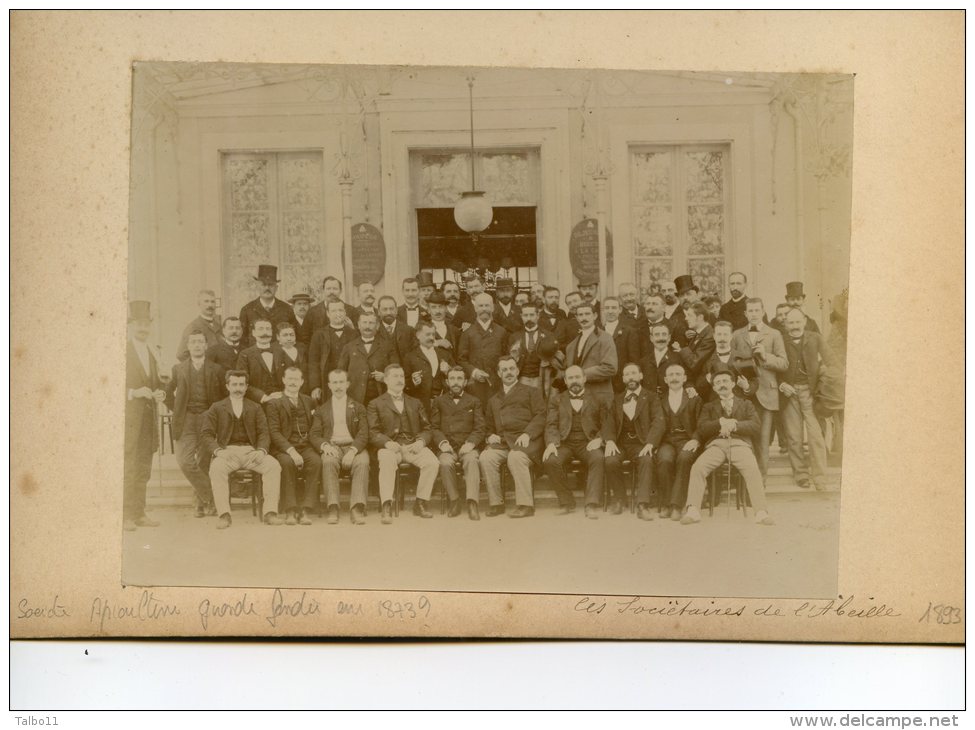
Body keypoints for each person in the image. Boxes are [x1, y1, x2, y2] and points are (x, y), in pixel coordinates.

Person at [680, 365, 774, 526]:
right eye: (718, 382)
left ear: (733, 384)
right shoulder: (708, 407)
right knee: (698, 467)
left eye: (725, 381)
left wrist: (735, 424)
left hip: (740, 445)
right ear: (714, 387)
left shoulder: (746, 404)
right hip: (716, 446)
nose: (722, 384)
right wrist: (719, 422)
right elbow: (702, 428)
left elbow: (755, 426)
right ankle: (693, 510)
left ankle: (761, 512)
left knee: (752, 468)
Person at [200, 369, 284, 529]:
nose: (238, 388)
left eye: (241, 385)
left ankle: (270, 513)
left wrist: (261, 451)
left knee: (273, 466)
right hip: (227, 453)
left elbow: (264, 432)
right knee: (216, 468)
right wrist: (219, 451)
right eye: (234, 384)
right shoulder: (217, 407)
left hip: (251, 452)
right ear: (227, 386)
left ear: (246, 387)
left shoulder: (255, 407)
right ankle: (224, 515)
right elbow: (206, 434)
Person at [367, 364, 440, 524]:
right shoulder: (375, 403)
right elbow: (372, 432)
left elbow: (428, 428)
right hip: (390, 447)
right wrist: (386, 443)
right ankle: (386, 504)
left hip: (412, 445)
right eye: (395, 376)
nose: (399, 380)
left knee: (432, 462)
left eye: (401, 376)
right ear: (385, 379)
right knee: (386, 459)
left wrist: (421, 441)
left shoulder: (415, 402)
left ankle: (420, 502)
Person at [164, 330, 225, 518]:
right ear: (188, 346)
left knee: (204, 462)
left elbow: (223, 396)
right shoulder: (178, 369)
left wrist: (215, 416)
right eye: (193, 342)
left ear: (206, 346)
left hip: (208, 418)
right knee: (185, 461)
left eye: (201, 342)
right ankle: (212, 498)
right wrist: (179, 409)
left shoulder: (216, 369)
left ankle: (199, 504)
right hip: (187, 419)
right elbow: (167, 394)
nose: (197, 345)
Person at [543, 365, 613, 519]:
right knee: (550, 460)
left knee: (598, 458)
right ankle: (566, 502)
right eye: (570, 378)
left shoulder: (598, 398)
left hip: (588, 442)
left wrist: (600, 439)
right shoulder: (557, 399)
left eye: (577, 377)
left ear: (584, 379)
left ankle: (591, 504)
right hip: (564, 442)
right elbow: (551, 424)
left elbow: (607, 423)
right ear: (566, 382)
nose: (574, 381)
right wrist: (551, 444)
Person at [478, 357, 545, 518]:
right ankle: (496, 503)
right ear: (499, 373)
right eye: (505, 370)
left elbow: (541, 415)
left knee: (515, 457)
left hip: (527, 441)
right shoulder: (493, 400)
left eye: (511, 368)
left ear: (517, 371)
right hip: (503, 443)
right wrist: (489, 436)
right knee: (486, 457)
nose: (509, 372)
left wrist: (528, 433)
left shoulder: (531, 392)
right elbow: (488, 426)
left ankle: (526, 505)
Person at [730, 298, 788, 478]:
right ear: (745, 313)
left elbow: (784, 363)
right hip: (744, 394)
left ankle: (760, 481)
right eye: (750, 311)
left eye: (757, 310)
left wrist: (765, 356)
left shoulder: (774, 334)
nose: (754, 314)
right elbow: (732, 362)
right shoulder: (737, 335)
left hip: (766, 394)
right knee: (745, 439)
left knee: (763, 441)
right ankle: (746, 480)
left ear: (763, 312)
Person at [780, 308, 837, 490]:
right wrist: (782, 383)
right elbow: (773, 367)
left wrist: (823, 385)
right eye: (791, 323)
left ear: (804, 321)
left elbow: (833, 362)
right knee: (794, 437)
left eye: (798, 322)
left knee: (816, 436)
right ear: (786, 324)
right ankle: (801, 474)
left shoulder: (815, 338)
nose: (795, 326)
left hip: (810, 394)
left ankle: (820, 478)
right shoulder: (780, 339)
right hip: (789, 395)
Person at [123, 300, 165, 531]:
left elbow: (156, 382)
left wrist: (159, 391)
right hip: (130, 421)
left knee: (143, 468)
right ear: (131, 325)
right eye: (139, 324)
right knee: (129, 467)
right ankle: (126, 515)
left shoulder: (151, 352)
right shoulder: (123, 350)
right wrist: (133, 392)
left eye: (146, 324)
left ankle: (139, 512)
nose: (143, 328)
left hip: (147, 421)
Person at [604, 362, 665, 519]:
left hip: (641, 443)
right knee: (610, 460)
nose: (631, 377)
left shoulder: (651, 397)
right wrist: (610, 440)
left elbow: (658, 422)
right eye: (627, 374)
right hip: (621, 443)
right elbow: (608, 422)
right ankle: (619, 499)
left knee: (646, 459)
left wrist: (650, 443)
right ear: (623, 379)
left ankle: (642, 504)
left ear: (640, 376)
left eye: (633, 373)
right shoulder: (616, 399)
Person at [309, 369, 370, 525]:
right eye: (334, 382)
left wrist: (353, 451)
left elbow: (363, 434)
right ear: (329, 385)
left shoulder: (358, 407)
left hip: (354, 447)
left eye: (341, 382)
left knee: (362, 462)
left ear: (347, 384)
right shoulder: (322, 410)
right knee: (328, 462)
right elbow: (314, 434)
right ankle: (333, 507)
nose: (338, 386)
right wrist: (324, 446)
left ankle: (356, 508)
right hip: (332, 446)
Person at [266, 366, 321, 526]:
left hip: (306, 446)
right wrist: (291, 451)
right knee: (286, 463)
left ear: (302, 381)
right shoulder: (274, 403)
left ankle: (306, 509)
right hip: (284, 448)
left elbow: (316, 427)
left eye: (296, 379)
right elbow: (274, 432)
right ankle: (290, 509)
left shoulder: (309, 401)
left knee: (316, 462)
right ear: (283, 380)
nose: (292, 382)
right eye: (289, 378)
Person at [430, 366, 486, 519]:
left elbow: (480, 428)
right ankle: (454, 500)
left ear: (466, 381)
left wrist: (470, 444)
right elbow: (434, 427)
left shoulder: (474, 401)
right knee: (445, 463)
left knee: (472, 460)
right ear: (447, 382)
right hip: (447, 446)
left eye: (459, 379)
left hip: (467, 445)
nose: (456, 382)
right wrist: (442, 443)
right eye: (452, 379)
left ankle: (472, 502)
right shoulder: (439, 401)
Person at [655, 362, 702, 519]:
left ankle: (676, 505)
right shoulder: (659, 399)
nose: (674, 378)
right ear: (666, 379)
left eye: (677, 374)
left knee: (684, 459)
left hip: (686, 439)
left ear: (684, 378)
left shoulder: (694, 398)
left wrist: (696, 439)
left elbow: (701, 423)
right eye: (671, 375)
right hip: (667, 440)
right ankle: (665, 504)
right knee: (664, 460)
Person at [457, 292, 509, 410]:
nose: (484, 309)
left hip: (497, 383)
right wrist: (474, 372)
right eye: (481, 306)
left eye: (487, 305)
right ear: (475, 308)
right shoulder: (467, 333)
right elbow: (461, 359)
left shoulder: (501, 332)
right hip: (475, 385)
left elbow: (506, 357)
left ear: (492, 308)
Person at [337, 310, 398, 406]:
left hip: (381, 397)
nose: (367, 326)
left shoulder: (388, 347)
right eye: (364, 322)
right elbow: (340, 373)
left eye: (371, 323)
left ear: (377, 326)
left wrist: (385, 377)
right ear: (359, 325)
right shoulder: (349, 347)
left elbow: (397, 372)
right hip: (355, 398)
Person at [565, 302, 618, 404]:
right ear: (576, 317)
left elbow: (610, 368)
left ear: (595, 316)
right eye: (580, 315)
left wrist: (579, 375)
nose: (583, 318)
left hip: (599, 396)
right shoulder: (571, 346)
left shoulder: (605, 338)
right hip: (577, 397)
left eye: (587, 314)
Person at [308, 300, 358, 400]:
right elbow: (313, 362)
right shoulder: (319, 335)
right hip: (327, 382)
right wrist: (315, 386)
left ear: (345, 313)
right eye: (334, 311)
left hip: (350, 382)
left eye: (340, 310)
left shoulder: (354, 334)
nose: (338, 314)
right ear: (328, 314)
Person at [238, 265, 297, 348]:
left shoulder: (287, 309)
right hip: (255, 357)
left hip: (281, 356)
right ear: (258, 286)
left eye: (271, 285)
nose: (267, 288)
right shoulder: (247, 310)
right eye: (263, 284)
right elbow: (242, 339)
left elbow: (295, 335)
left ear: (276, 288)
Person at [404, 320, 454, 412]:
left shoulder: (444, 354)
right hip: (421, 406)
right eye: (427, 334)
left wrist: (448, 371)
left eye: (433, 334)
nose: (431, 338)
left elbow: (458, 375)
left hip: (444, 405)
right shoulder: (410, 357)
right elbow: (405, 384)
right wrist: (414, 382)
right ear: (418, 335)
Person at [696, 320, 752, 403]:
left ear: (731, 336)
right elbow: (699, 385)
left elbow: (754, 381)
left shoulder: (743, 357)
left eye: (725, 334)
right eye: (719, 334)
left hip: (739, 406)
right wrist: (706, 380)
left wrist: (746, 387)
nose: (722, 338)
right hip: (715, 407)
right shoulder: (706, 359)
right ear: (714, 336)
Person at [235, 318, 284, 405]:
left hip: (281, 399)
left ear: (272, 332)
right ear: (253, 333)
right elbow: (242, 382)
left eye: (268, 329)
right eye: (260, 329)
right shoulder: (245, 354)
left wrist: (283, 394)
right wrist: (263, 397)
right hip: (257, 402)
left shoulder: (281, 351)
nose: (265, 333)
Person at [508, 301, 556, 390]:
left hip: (541, 379)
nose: (528, 318)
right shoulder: (514, 337)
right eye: (525, 315)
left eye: (531, 315)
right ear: (521, 316)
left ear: (538, 316)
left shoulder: (548, 335)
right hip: (522, 378)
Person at [672, 301, 715, 392]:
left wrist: (681, 350)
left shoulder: (710, 336)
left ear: (700, 317)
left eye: (689, 315)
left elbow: (693, 363)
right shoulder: (700, 333)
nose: (686, 319)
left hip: (702, 388)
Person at [599, 296, 636, 394]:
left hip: (622, 381)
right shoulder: (597, 332)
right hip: (603, 381)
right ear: (603, 310)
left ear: (620, 310)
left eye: (613, 308)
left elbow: (633, 359)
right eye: (607, 308)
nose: (610, 311)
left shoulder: (629, 331)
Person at [176, 289, 222, 361]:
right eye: (206, 301)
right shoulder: (192, 327)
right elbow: (181, 354)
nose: (210, 305)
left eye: (212, 302)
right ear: (199, 304)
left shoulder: (219, 326)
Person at [638, 322, 681, 397]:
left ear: (669, 338)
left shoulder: (678, 359)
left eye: (664, 334)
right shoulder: (643, 361)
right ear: (651, 338)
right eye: (657, 335)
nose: (661, 338)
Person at [377, 295, 417, 361]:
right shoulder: (374, 331)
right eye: (385, 309)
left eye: (391, 309)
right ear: (378, 311)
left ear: (396, 310)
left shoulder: (409, 331)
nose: (388, 312)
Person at [274, 321, 307, 389]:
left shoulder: (302, 349)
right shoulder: (274, 352)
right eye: (285, 335)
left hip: (303, 390)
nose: (289, 338)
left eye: (292, 335)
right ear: (278, 337)